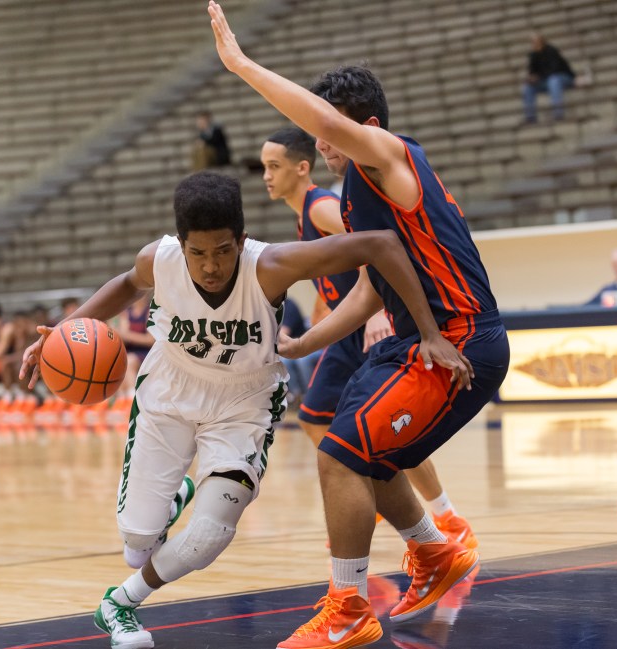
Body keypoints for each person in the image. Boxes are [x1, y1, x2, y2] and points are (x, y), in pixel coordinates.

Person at [19, 170, 461, 649]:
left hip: (243, 402)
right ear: (180, 244)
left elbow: (383, 245)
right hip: (170, 391)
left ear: (242, 239)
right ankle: (171, 502)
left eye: (223, 251)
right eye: (199, 253)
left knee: (208, 535)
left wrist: (429, 332)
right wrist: (64, 329)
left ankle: (119, 605)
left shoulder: (269, 265)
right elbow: (127, 283)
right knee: (136, 542)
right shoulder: (158, 259)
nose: (211, 266)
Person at [210, 5, 509, 648]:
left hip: (459, 337)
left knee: (340, 458)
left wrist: (239, 64)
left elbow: (320, 121)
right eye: (323, 135)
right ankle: (433, 551)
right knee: (357, 452)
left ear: (365, 127)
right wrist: (301, 342)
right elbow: (373, 285)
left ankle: (349, 607)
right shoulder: (355, 196)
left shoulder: (390, 155)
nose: (321, 144)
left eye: (333, 131)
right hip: (418, 337)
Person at [262, 126, 480, 547]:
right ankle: (375, 498)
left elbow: (379, 248)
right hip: (348, 332)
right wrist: (321, 319)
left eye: (274, 166)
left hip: (370, 327)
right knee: (315, 417)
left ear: (302, 168)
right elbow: (335, 281)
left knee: (387, 434)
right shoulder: (303, 213)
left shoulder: (322, 206)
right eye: (264, 167)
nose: (267, 176)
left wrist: (379, 307)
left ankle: (446, 517)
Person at [522, 32, 575, 123]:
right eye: (532, 42)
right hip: (545, 81)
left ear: (541, 41)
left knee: (553, 80)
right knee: (528, 87)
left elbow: (555, 69)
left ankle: (558, 113)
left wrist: (538, 77)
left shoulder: (551, 51)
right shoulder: (533, 55)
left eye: (536, 42)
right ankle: (530, 116)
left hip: (563, 78)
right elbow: (532, 71)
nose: (534, 44)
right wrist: (531, 78)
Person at [276, 295, 320, 403]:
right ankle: (295, 396)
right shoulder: (269, 308)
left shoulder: (289, 306)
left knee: (301, 360)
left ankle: (310, 396)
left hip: (308, 346)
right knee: (282, 359)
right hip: (293, 347)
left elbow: (283, 334)